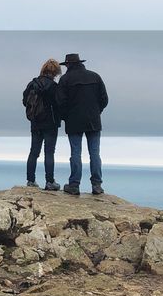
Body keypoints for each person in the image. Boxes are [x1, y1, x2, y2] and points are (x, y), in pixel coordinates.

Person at [54, 52, 108, 196]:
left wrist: (66, 117)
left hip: (74, 121)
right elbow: (104, 99)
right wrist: (96, 112)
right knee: (95, 153)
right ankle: (97, 185)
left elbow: (60, 102)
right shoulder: (95, 76)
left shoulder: (65, 79)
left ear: (69, 65)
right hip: (93, 121)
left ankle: (74, 185)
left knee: (76, 153)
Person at [22, 59, 62, 190]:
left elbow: (25, 101)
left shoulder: (32, 84)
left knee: (34, 152)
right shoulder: (54, 87)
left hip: (35, 122)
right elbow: (59, 104)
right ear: (55, 72)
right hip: (50, 123)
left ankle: (30, 181)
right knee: (49, 152)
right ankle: (49, 182)